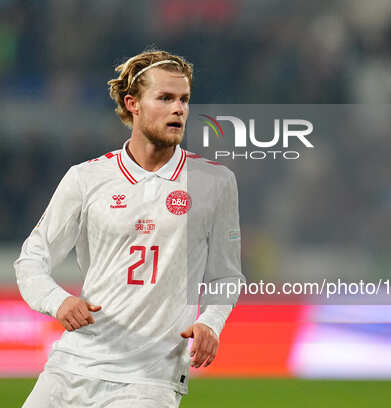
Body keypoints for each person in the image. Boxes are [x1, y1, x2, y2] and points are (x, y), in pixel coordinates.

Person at [15, 49, 244, 407]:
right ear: (132, 103)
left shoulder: (215, 183)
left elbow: (226, 276)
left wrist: (211, 322)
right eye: (165, 98)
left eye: (184, 99)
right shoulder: (86, 178)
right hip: (72, 366)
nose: (179, 109)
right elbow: (31, 258)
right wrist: (58, 302)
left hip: (150, 381)